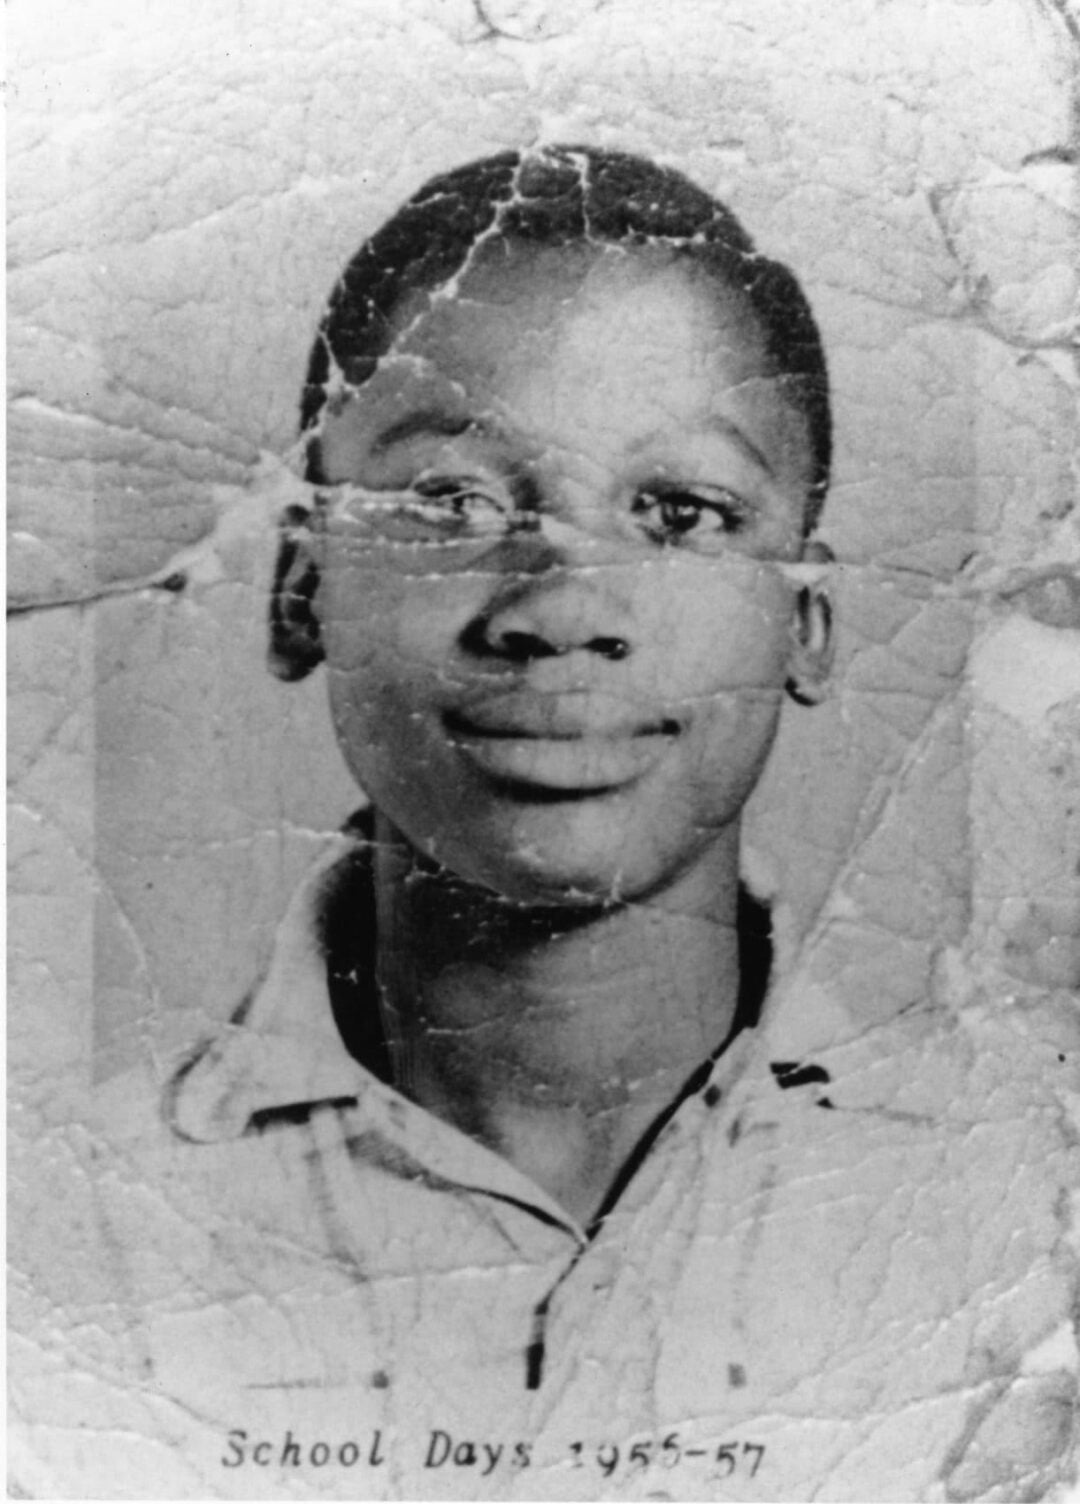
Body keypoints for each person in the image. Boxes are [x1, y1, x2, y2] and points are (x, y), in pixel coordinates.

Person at [31, 146, 1075, 1501]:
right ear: (301, 593)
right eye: (449, 501)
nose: (557, 606)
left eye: (681, 512)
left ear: (806, 624)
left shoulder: (1027, 1212)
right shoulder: (62, 1229)